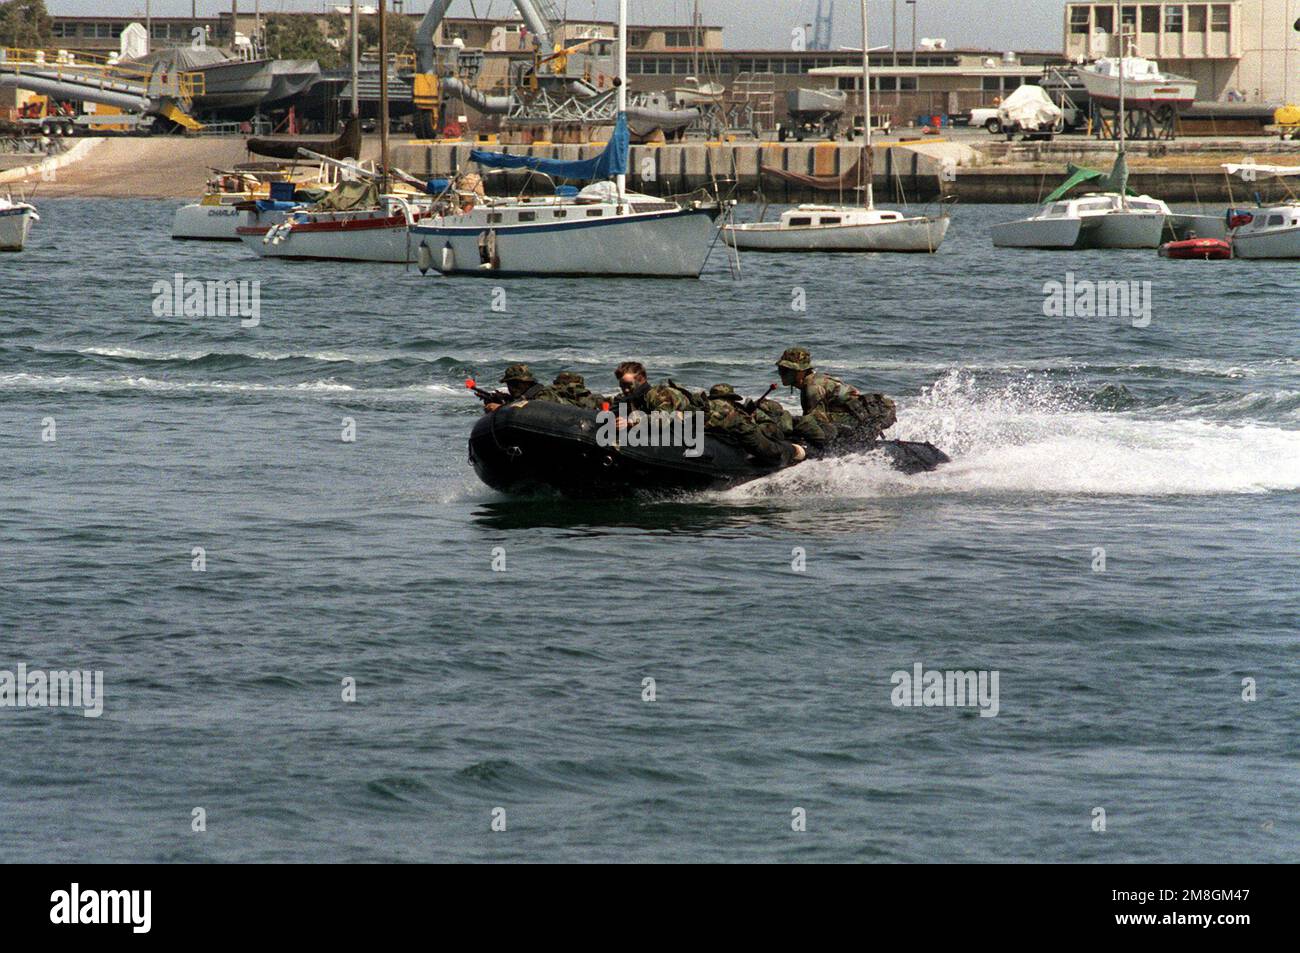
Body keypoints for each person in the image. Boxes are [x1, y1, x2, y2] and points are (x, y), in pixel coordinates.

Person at [774, 347, 897, 446]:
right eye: (780, 369)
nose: (781, 374)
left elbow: (816, 423)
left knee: (809, 424)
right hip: (862, 418)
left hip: (872, 417)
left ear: (800, 371)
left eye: (786, 370)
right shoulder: (810, 382)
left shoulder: (813, 387)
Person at [705, 384, 805, 464]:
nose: (721, 404)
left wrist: (752, 425)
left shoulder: (743, 413)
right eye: (717, 401)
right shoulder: (708, 413)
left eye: (724, 400)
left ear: (731, 401)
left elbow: (772, 428)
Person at [610, 361, 697, 414]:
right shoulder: (629, 398)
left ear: (642, 380)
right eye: (622, 385)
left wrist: (631, 422)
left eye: (629, 385)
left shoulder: (660, 395)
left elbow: (662, 418)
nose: (625, 389)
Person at [482, 363, 547, 412]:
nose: (512, 388)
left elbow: (536, 411)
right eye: (509, 384)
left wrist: (501, 408)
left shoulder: (544, 394)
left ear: (527, 383)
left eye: (516, 384)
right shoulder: (522, 397)